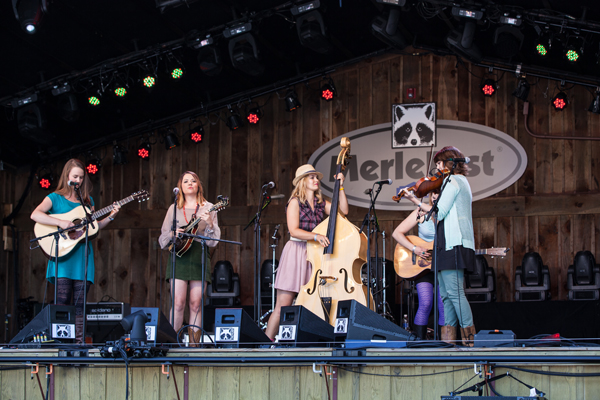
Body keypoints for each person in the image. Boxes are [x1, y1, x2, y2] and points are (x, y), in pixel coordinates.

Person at [30, 158, 120, 343]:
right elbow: (35, 214)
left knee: (80, 304)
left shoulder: (88, 201)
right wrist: (60, 222)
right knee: (62, 299)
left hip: (81, 256)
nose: (78, 180)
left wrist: (111, 217)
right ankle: (61, 342)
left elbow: (93, 227)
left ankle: (78, 344)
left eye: (81, 177)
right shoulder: (54, 197)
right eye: (75, 176)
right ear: (67, 176)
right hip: (63, 255)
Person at [265, 164, 348, 340]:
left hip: (314, 255)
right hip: (296, 252)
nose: (316, 180)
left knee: (312, 304)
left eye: (316, 177)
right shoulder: (294, 202)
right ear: (302, 181)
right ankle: (266, 343)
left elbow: (343, 212)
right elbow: (293, 230)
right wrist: (316, 236)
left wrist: (340, 187)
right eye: (312, 177)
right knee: (283, 305)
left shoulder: (320, 203)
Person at [403, 146, 476, 346]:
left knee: (454, 294)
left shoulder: (453, 181)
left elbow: (439, 212)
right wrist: (417, 201)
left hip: (454, 243)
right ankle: (448, 343)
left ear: (448, 163)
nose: (437, 169)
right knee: (445, 296)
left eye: (439, 164)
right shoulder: (454, 181)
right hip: (445, 244)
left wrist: (415, 200)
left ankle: (470, 342)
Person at [158, 171, 221, 345]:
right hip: (179, 256)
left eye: (193, 180)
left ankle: (194, 345)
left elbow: (213, 241)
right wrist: (172, 234)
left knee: (196, 303)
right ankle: (172, 343)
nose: (190, 183)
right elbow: (163, 238)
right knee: (178, 303)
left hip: (198, 254)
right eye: (186, 181)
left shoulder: (208, 207)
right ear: (180, 186)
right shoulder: (174, 208)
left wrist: (209, 223)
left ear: (198, 185)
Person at [392, 190, 444, 340]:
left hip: (442, 264)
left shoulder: (448, 214)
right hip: (422, 266)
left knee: (443, 305)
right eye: (433, 193)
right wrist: (414, 248)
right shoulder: (420, 212)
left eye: (439, 193)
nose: (435, 196)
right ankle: (418, 342)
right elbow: (397, 233)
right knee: (425, 303)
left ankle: (444, 343)